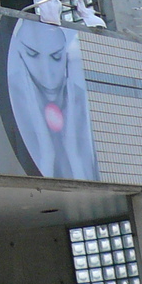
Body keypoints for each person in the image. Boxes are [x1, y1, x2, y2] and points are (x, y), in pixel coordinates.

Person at [7, 19, 99, 180]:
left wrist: (74, 153)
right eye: (32, 55)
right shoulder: (9, 96)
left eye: (56, 57)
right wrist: (46, 154)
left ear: (66, 55)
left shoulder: (79, 99)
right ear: (19, 52)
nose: (47, 72)